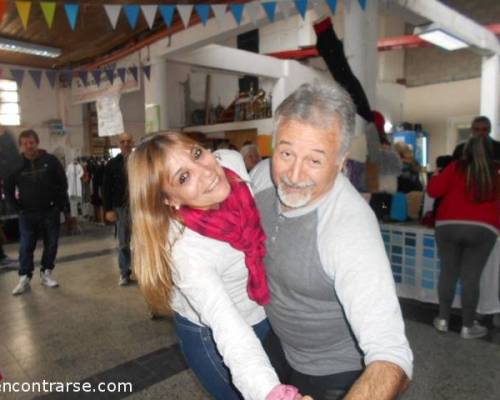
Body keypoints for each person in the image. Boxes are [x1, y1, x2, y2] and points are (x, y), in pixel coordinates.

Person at [251, 82, 413, 400]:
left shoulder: (348, 229)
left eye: (314, 160)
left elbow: (392, 355)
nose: (293, 174)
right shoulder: (261, 177)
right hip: (280, 348)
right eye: (285, 153)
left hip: (336, 374)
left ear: (340, 163)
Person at [127, 132, 311, 400]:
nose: (207, 172)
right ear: (169, 200)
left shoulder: (232, 163)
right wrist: (273, 395)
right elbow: (229, 328)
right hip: (212, 336)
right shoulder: (187, 252)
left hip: (262, 311)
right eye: (183, 177)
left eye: (197, 154)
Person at [313, 17, 402, 194]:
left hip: (367, 184)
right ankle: (326, 38)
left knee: (345, 77)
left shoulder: (369, 129)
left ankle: (326, 38)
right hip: (366, 181)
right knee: (345, 77)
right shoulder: (370, 129)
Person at [427, 135, 499, 339]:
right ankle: (468, 326)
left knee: (448, 273)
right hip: (483, 228)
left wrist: (436, 176)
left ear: (466, 150)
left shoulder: (455, 167)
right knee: (471, 277)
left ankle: (442, 319)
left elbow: (433, 191)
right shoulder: (496, 172)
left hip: (448, 224)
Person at [4, 129, 67, 295]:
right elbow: (8, 190)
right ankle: (24, 278)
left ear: (37, 143)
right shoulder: (15, 165)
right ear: (21, 146)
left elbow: (63, 184)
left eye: (31, 143)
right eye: (25, 144)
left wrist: (60, 207)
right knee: (25, 246)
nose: (28, 146)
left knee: (51, 244)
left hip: (50, 211)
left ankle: (46, 273)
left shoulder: (51, 161)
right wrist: (18, 209)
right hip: (27, 214)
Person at [102, 132, 134, 286]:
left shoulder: (140, 162)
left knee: (143, 243)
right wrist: (108, 210)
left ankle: (146, 273)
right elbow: (106, 189)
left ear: (132, 143)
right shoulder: (111, 165)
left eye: (128, 141)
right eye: (123, 142)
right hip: (120, 209)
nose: (126, 144)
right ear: (119, 145)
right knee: (123, 243)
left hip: (139, 209)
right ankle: (124, 272)